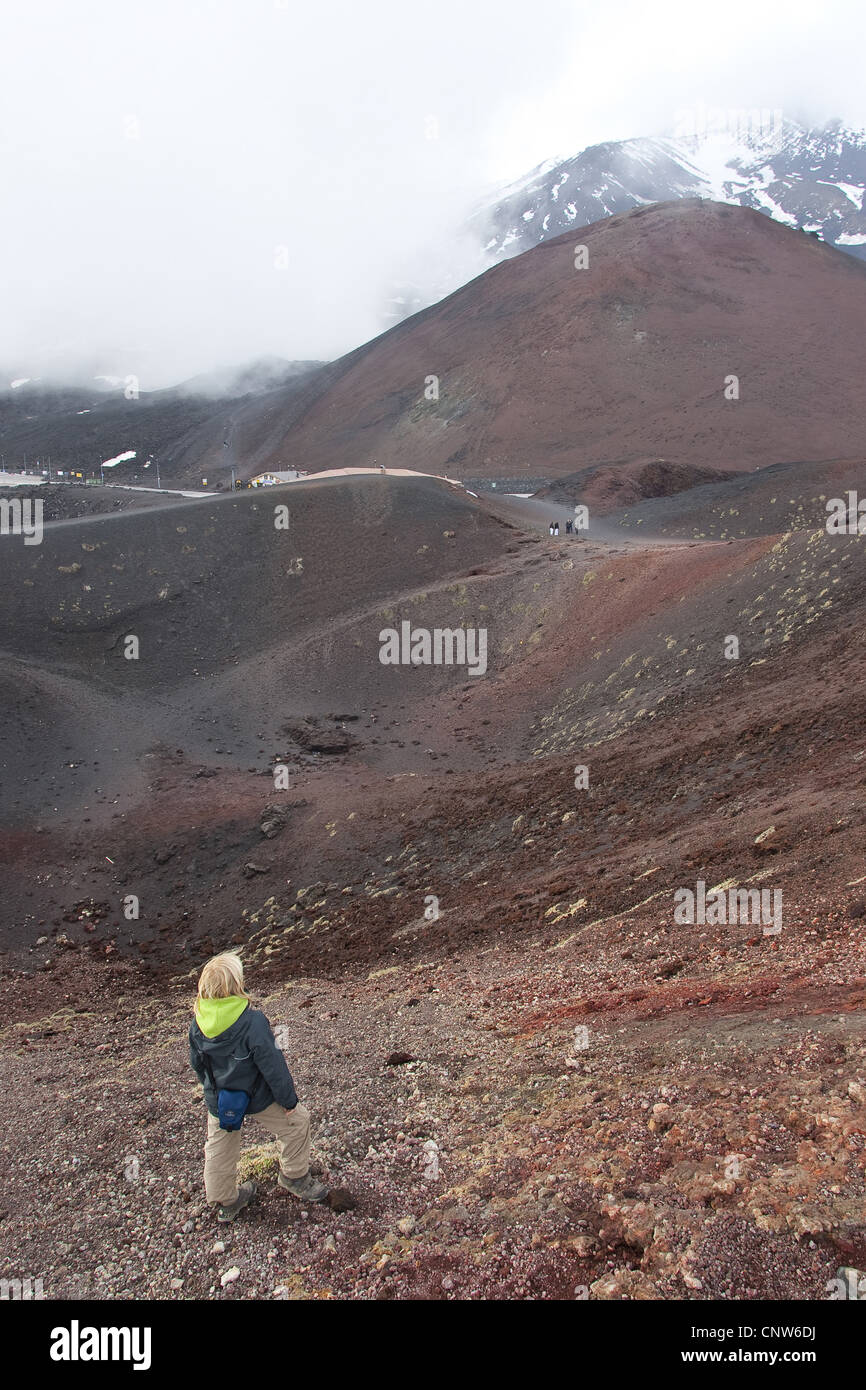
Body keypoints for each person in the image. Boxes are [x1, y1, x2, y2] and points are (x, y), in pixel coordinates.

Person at [188, 952, 328, 1222]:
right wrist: (288, 1102)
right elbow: (273, 1066)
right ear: (235, 985)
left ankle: (225, 1201)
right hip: (259, 1096)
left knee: (219, 1148)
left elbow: (198, 1065)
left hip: (222, 1101)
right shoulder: (252, 1022)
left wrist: (212, 1093)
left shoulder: (197, 1024)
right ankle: (294, 1177)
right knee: (299, 1122)